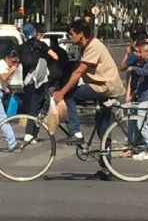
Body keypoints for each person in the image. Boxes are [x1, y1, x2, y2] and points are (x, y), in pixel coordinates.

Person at [52, 19, 125, 180]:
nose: (69, 36)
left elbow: (79, 72)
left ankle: (76, 132)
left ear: (81, 34)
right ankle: (107, 168)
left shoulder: (94, 47)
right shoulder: (84, 47)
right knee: (103, 129)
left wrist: (62, 92)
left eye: (71, 34)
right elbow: (74, 70)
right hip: (101, 85)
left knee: (71, 95)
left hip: (105, 86)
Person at [18, 23, 57, 142]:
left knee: (31, 106)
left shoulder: (22, 47)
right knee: (39, 108)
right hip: (41, 81)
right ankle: (31, 133)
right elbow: (55, 56)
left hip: (27, 81)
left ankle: (31, 134)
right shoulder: (41, 45)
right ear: (35, 33)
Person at [124, 42, 148, 160]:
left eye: (140, 52)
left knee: (142, 122)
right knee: (142, 124)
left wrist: (134, 68)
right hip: (142, 98)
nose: (138, 54)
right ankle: (146, 149)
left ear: (147, 52)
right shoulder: (146, 63)